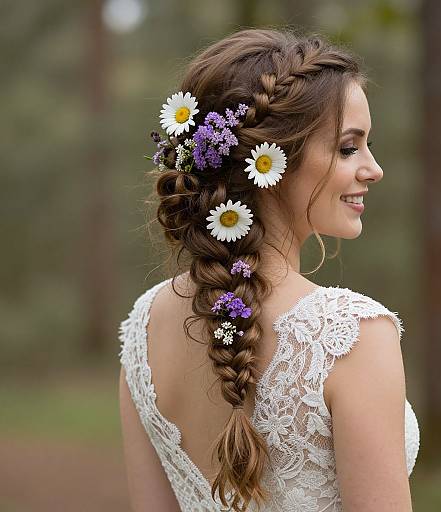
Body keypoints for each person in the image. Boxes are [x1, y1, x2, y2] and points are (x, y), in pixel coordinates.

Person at [118, 27, 420, 512]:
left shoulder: (144, 327)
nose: (373, 168)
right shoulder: (350, 336)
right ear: (272, 159)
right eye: (348, 148)